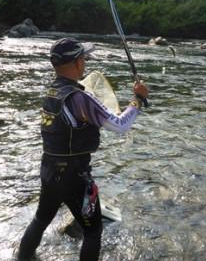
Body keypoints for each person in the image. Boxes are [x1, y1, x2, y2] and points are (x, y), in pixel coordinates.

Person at [16, 37, 149, 261]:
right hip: (74, 177)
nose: (85, 63)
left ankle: (23, 257)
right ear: (77, 62)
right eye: (84, 59)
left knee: (41, 219)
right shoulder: (81, 97)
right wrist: (137, 98)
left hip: (49, 170)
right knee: (93, 231)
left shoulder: (52, 92)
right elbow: (120, 125)